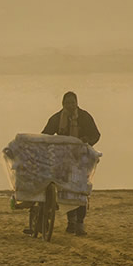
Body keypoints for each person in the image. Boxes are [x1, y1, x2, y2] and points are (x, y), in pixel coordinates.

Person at [41, 91, 100, 235]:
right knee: (67, 190)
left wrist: (87, 140)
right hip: (63, 160)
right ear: (63, 104)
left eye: (73, 102)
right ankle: (71, 222)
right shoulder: (56, 118)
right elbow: (45, 134)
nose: (71, 105)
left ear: (77, 103)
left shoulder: (85, 117)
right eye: (68, 103)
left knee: (80, 190)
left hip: (81, 159)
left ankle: (79, 223)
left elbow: (96, 135)